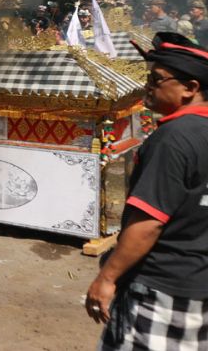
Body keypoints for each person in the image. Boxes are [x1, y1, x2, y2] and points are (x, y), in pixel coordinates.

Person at [85, 32, 208, 349]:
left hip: (161, 285)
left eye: (156, 80)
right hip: (197, 281)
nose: (147, 87)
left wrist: (107, 277)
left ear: (190, 88)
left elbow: (150, 221)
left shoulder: (173, 138)